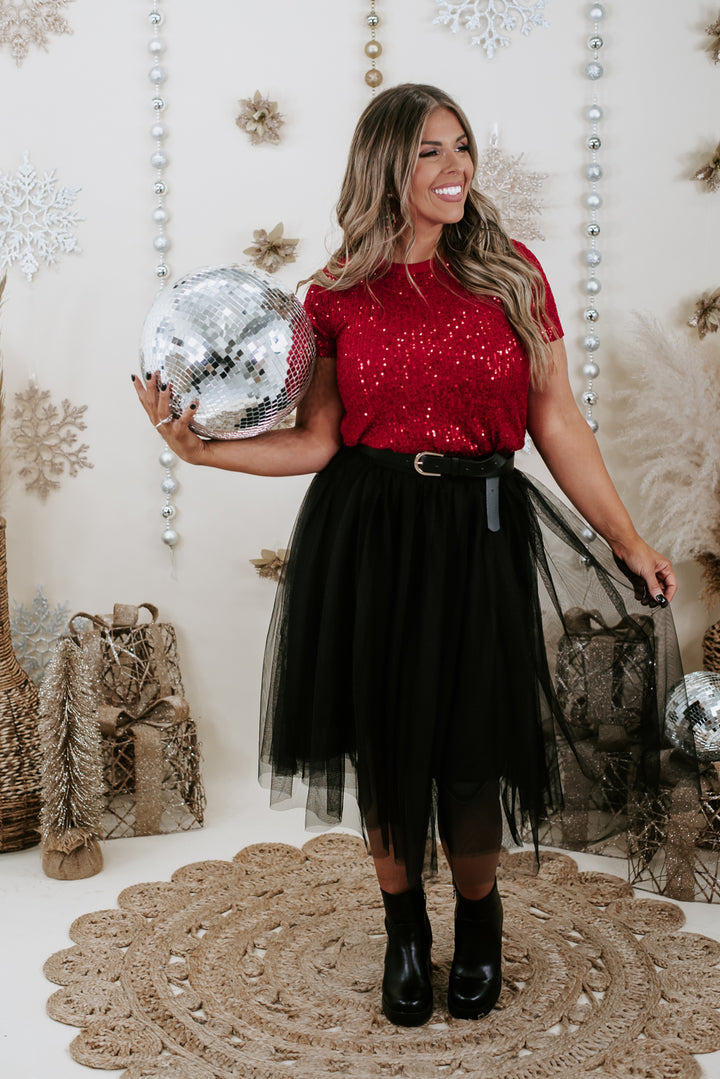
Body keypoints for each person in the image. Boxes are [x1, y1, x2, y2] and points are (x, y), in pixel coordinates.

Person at [133, 83, 679, 1029]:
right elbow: (318, 440)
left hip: (480, 529)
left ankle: (480, 923)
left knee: (472, 747)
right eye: (431, 150)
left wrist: (627, 537)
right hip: (371, 530)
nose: (456, 166)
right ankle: (405, 934)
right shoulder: (335, 294)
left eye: (461, 146)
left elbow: (556, 419)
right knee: (389, 747)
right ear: (386, 166)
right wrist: (201, 451)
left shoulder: (511, 272)